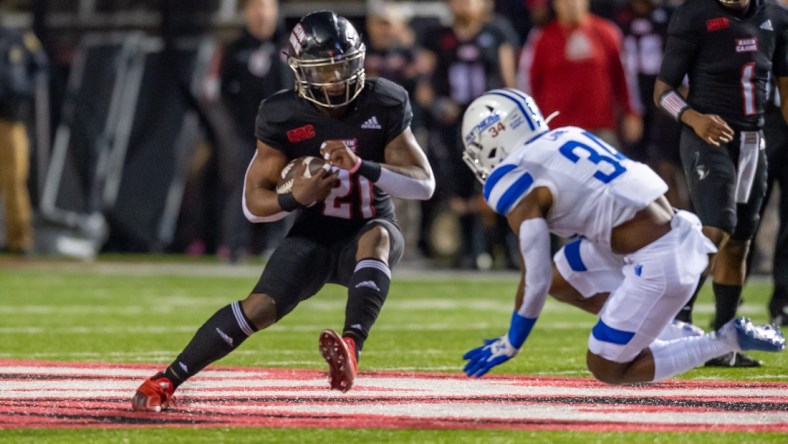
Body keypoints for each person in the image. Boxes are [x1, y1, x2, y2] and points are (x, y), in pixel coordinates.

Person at [131, 10, 435, 411]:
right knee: (259, 306)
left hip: (370, 226)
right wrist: (296, 196)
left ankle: (351, 346)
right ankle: (166, 381)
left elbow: (423, 183)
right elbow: (253, 205)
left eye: (344, 66)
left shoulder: (385, 100)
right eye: (324, 70)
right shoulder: (281, 114)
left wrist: (362, 166)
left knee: (377, 238)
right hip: (313, 234)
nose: (337, 79)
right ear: (300, 71)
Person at [459, 88, 784, 384]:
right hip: (671, 236)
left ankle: (726, 340)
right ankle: (667, 329)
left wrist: (512, 341)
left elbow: (535, 277)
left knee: (606, 366)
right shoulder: (565, 135)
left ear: (494, 136)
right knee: (564, 277)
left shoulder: (516, 176)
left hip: (661, 264)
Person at [653, 0, 788, 367]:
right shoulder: (695, 15)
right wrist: (694, 119)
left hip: (753, 140)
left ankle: (725, 339)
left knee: (741, 241)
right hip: (707, 138)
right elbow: (662, 92)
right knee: (717, 227)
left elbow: (784, 89)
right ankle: (676, 325)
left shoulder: (776, 18)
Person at [417, 0, 518, 269]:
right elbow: (423, 87)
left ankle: (507, 250)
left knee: (500, 184)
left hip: (491, 125)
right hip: (454, 125)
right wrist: (436, 104)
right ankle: (469, 251)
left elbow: (509, 82)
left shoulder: (497, 32)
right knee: (459, 187)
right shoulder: (437, 36)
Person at [218, 0, 292, 261]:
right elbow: (224, 90)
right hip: (249, 134)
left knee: (289, 185)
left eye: (266, 6)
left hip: (286, 136)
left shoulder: (288, 47)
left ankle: (280, 245)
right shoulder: (236, 48)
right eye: (256, 6)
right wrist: (241, 123)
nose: (262, 13)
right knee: (244, 186)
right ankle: (234, 245)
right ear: (247, 12)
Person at [518, 0, 643, 150]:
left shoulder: (607, 31)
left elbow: (625, 77)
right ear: (556, 4)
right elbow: (526, 84)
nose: (572, 4)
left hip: (601, 127)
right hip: (556, 132)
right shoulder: (540, 38)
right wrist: (528, 123)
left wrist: (632, 112)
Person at [0, 21, 47, 256]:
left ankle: (19, 240)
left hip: (10, 118)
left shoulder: (16, 36)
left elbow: (40, 66)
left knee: (15, 179)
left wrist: (23, 91)